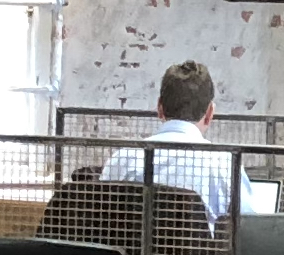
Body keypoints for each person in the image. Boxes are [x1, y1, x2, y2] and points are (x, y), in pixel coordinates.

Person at [99, 59, 236, 221]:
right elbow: (251, 227)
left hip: (131, 246)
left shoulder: (122, 160)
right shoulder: (227, 165)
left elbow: (101, 222)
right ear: (210, 114)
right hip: (198, 246)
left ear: (159, 107)